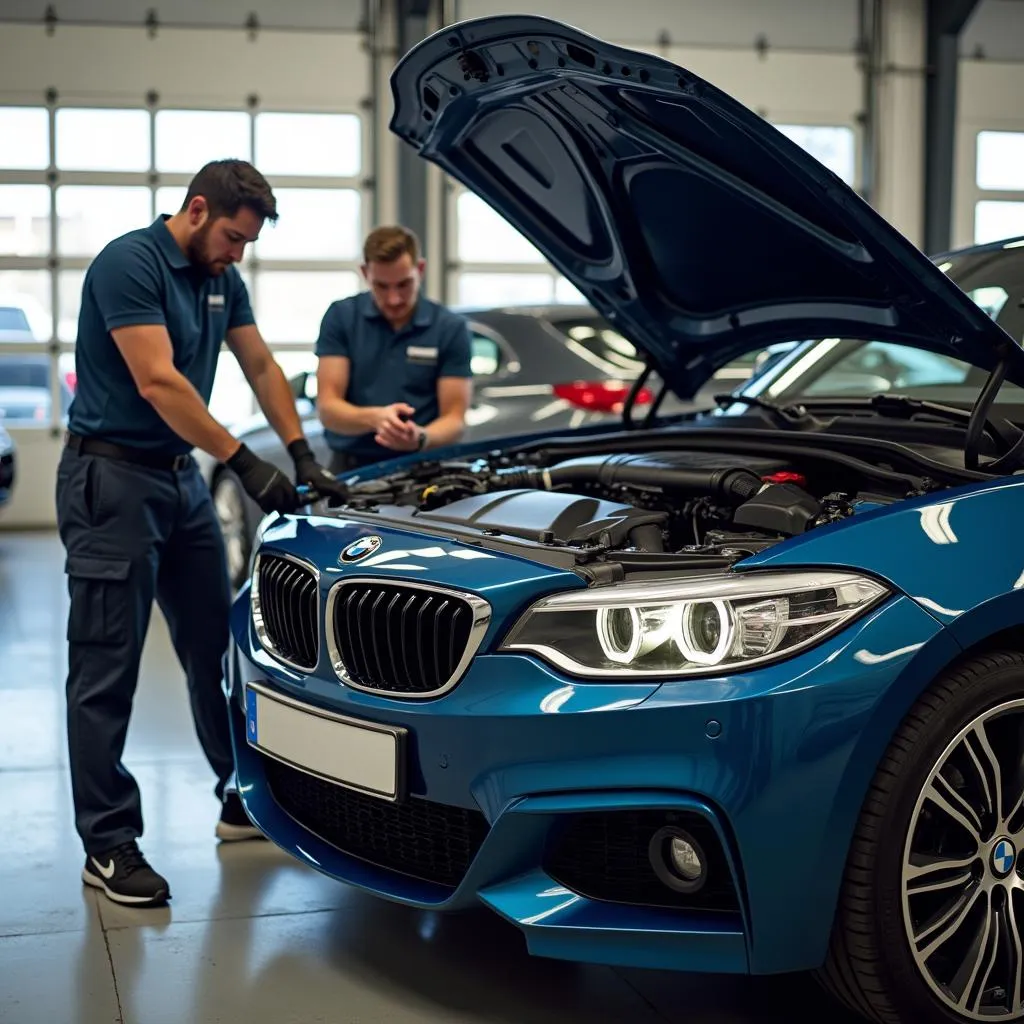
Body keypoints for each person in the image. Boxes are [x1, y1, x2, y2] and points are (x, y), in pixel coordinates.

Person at [56, 159, 346, 909]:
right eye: (231, 237)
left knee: (215, 647)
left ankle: (236, 796)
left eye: (247, 244)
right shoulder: (131, 263)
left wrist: (304, 451)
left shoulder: (223, 278)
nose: (236, 253)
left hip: (177, 478)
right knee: (106, 667)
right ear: (194, 210)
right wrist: (244, 461)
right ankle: (109, 843)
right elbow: (159, 382)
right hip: (111, 478)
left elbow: (258, 362)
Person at [314, 225, 473, 473]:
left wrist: (420, 437)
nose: (393, 299)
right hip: (351, 467)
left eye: (403, 285)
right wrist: (377, 419)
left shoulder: (450, 327)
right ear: (365, 272)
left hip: (424, 468)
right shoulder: (341, 317)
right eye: (381, 286)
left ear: (420, 269)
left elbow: (454, 419)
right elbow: (328, 408)